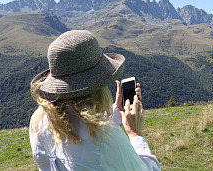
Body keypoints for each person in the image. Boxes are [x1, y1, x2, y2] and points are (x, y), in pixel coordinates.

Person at [29, 30, 161, 170]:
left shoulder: (38, 122)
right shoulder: (106, 139)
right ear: (98, 85)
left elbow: (84, 129)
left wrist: (117, 110)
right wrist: (135, 134)